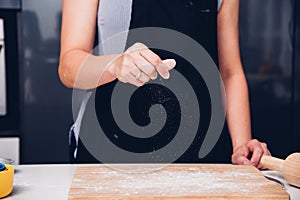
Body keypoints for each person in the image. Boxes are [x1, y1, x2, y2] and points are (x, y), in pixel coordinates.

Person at [58, 0, 271, 168]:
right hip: (111, 148)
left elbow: (229, 72)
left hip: (201, 153)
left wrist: (242, 146)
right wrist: (114, 65)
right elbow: (69, 67)